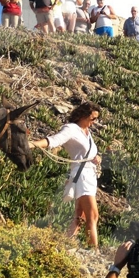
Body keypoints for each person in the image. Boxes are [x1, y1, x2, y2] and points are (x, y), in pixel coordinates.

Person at [30, 102, 102, 248]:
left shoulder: (87, 133)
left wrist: (97, 157)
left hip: (89, 175)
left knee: (80, 217)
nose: (94, 122)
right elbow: (54, 141)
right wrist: (31, 145)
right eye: (93, 118)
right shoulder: (71, 129)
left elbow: (87, 152)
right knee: (93, 215)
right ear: (83, 115)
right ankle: (94, 252)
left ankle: (62, 246)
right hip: (82, 176)